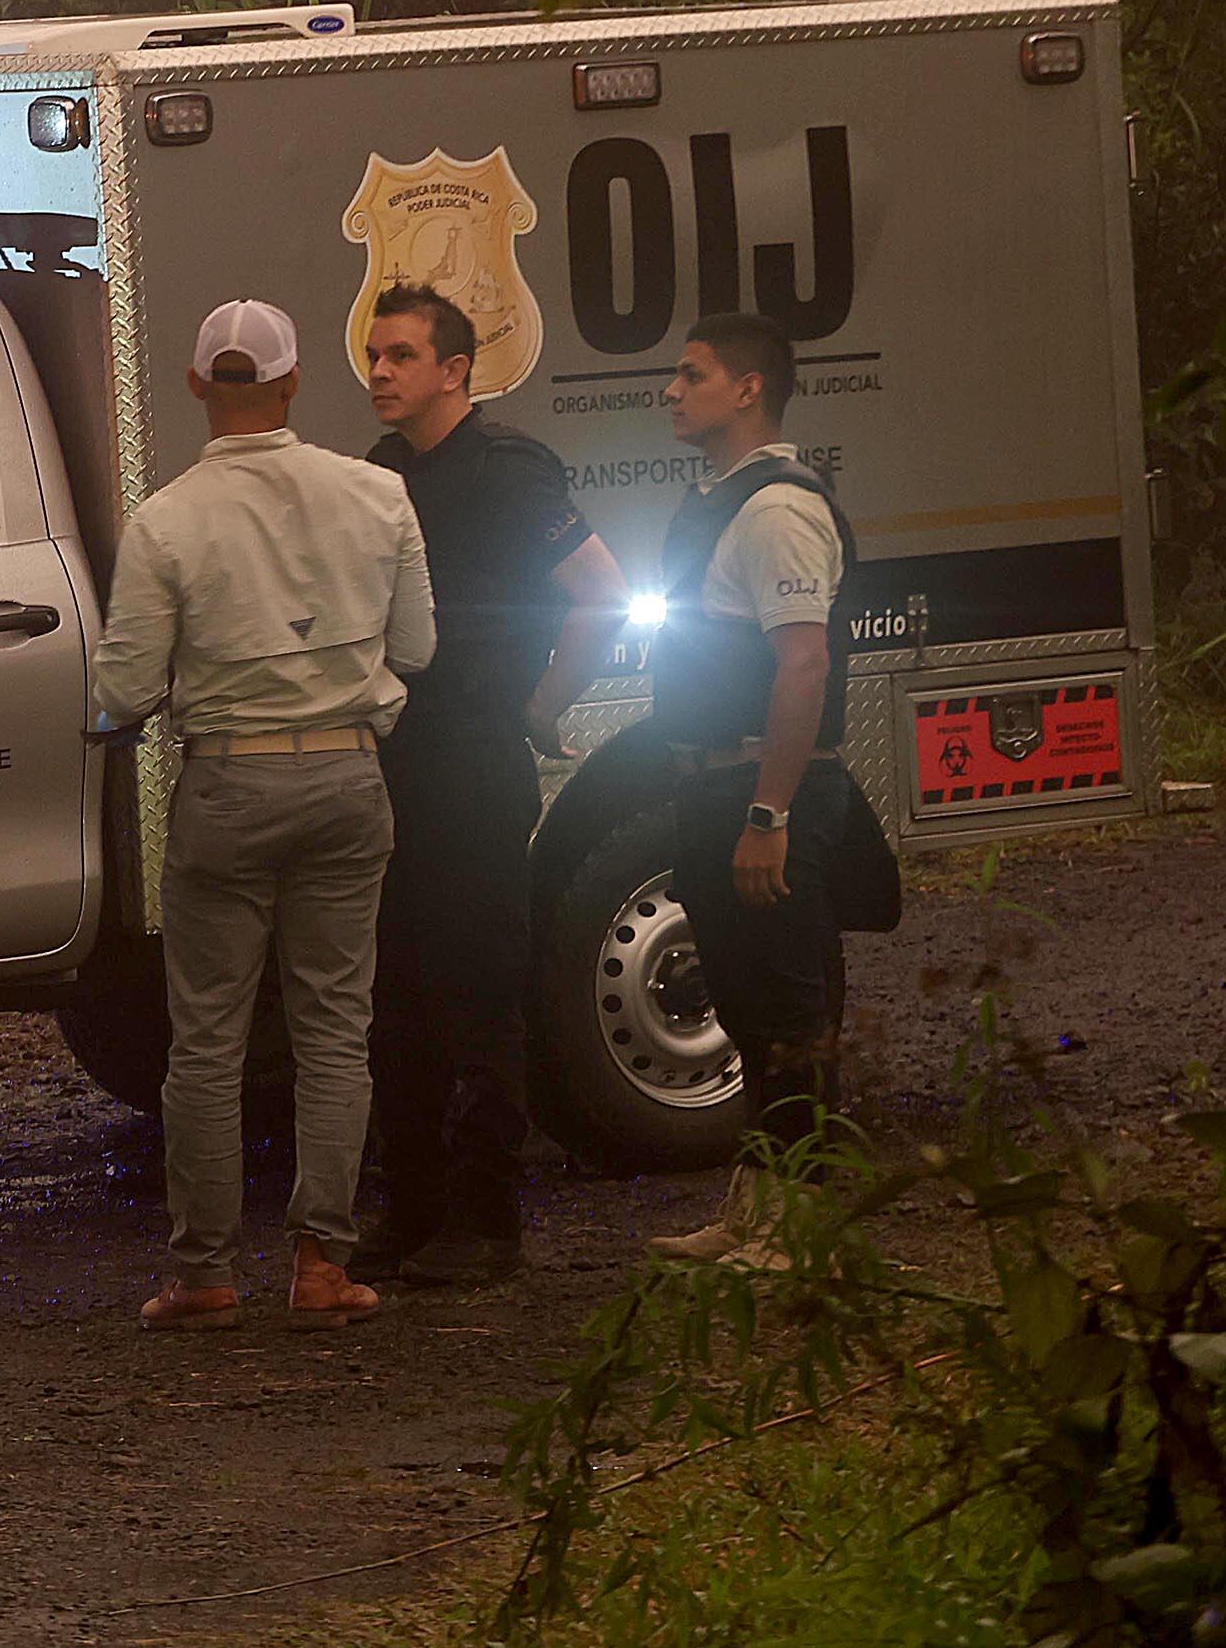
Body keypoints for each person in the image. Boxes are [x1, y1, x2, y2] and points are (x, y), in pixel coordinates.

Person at [95, 298, 436, 1332]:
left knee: (207, 1040)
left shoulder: (164, 522)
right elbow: (417, 648)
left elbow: (123, 687)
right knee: (334, 1028)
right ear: (293, 382)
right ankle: (322, 1265)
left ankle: (203, 1272)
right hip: (346, 779)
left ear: (198, 385)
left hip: (228, 787)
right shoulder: (378, 494)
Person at [354, 285, 625, 1286]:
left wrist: (540, 704)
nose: (380, 372)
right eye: (374, 355)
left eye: (400, 355)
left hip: (473, 760)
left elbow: (601, 594)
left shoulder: (509, 468)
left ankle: (487, 1220)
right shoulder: (380, 472)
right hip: (395, 762)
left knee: (474, 990)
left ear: (455, 370)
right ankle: (413, 1209)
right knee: (397, 997)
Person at [640, 312, 868, 1267]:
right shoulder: (722, 501)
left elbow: (804, 664)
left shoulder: (778, 509)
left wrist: (769, 814)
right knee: (746, 1008)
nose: (671, 389)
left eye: (692, 374)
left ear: (747, 390)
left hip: (762, 791)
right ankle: (758, 1213)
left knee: (789, 1018)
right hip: (716, 784)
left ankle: (798, 1237)